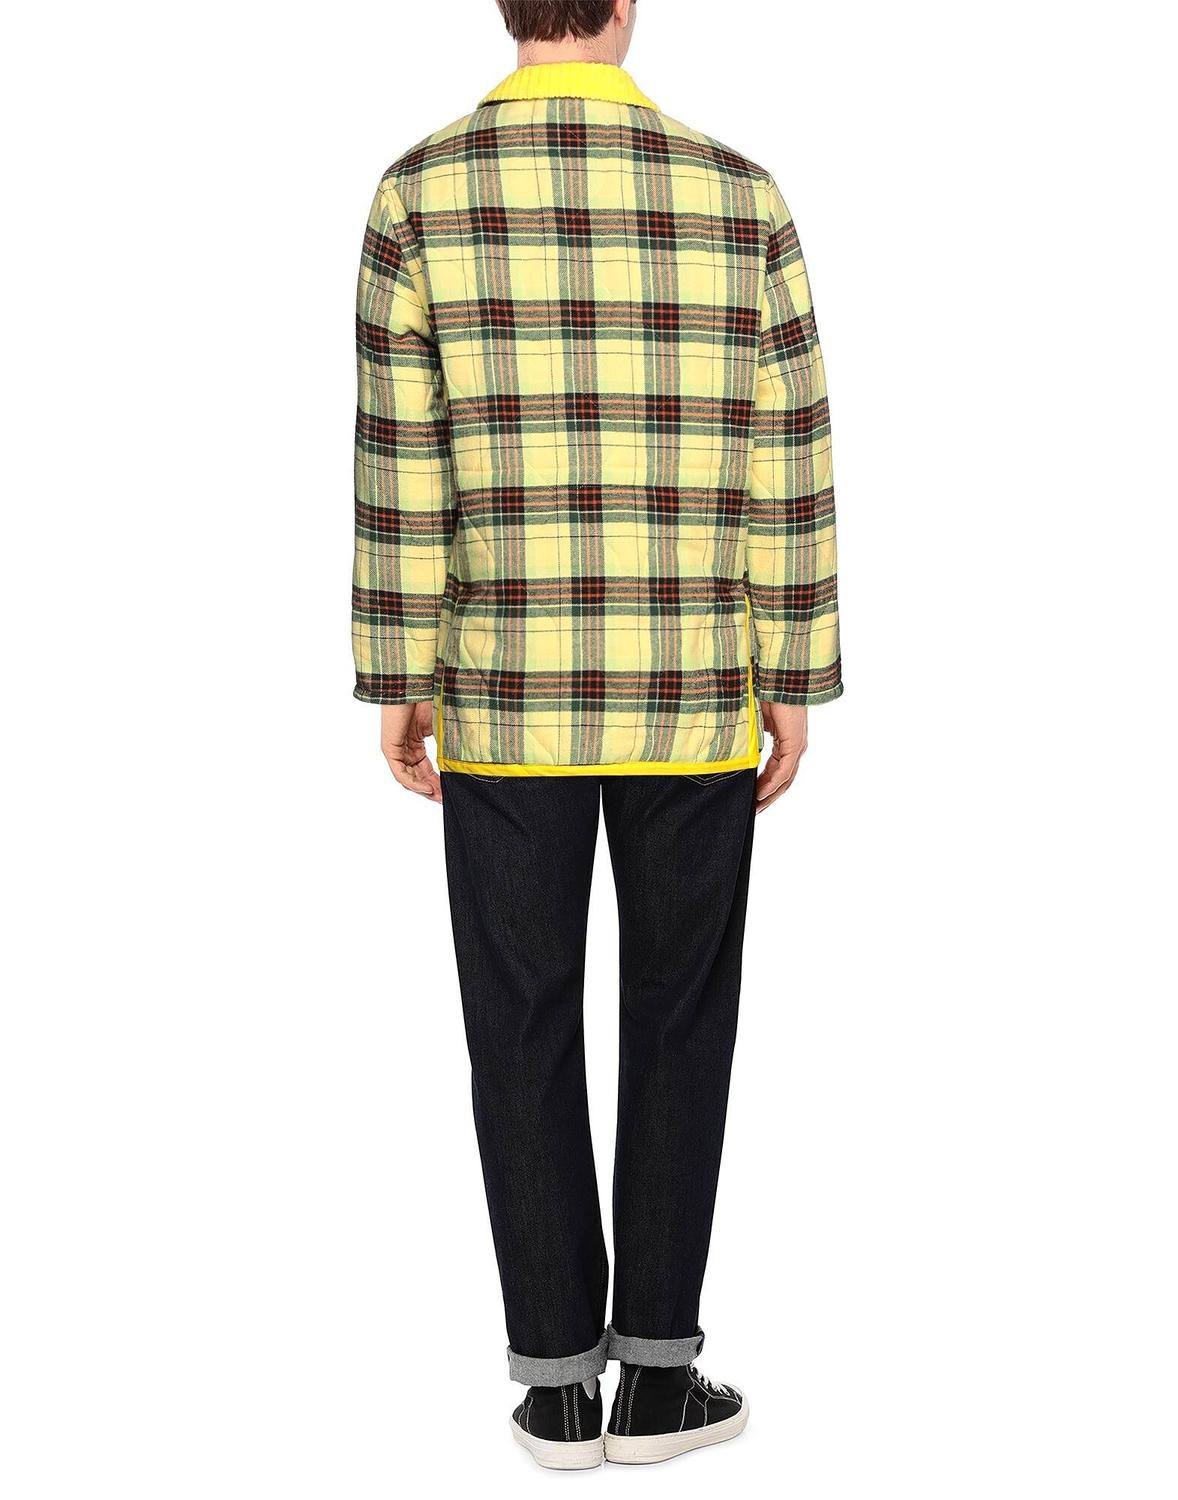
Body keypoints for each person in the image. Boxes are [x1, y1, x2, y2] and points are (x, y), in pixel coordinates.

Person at [352, 0, 841, 1469]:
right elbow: (790, 452)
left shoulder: (418, 193)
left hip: (505, 692)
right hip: (693, 688)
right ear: (625, 2)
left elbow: (400, 459)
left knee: (518, 1022)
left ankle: (559, 1387)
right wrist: (792, 670)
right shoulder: (740, 194)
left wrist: (400, 670)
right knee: (682, 1020)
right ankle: (660, 1383)